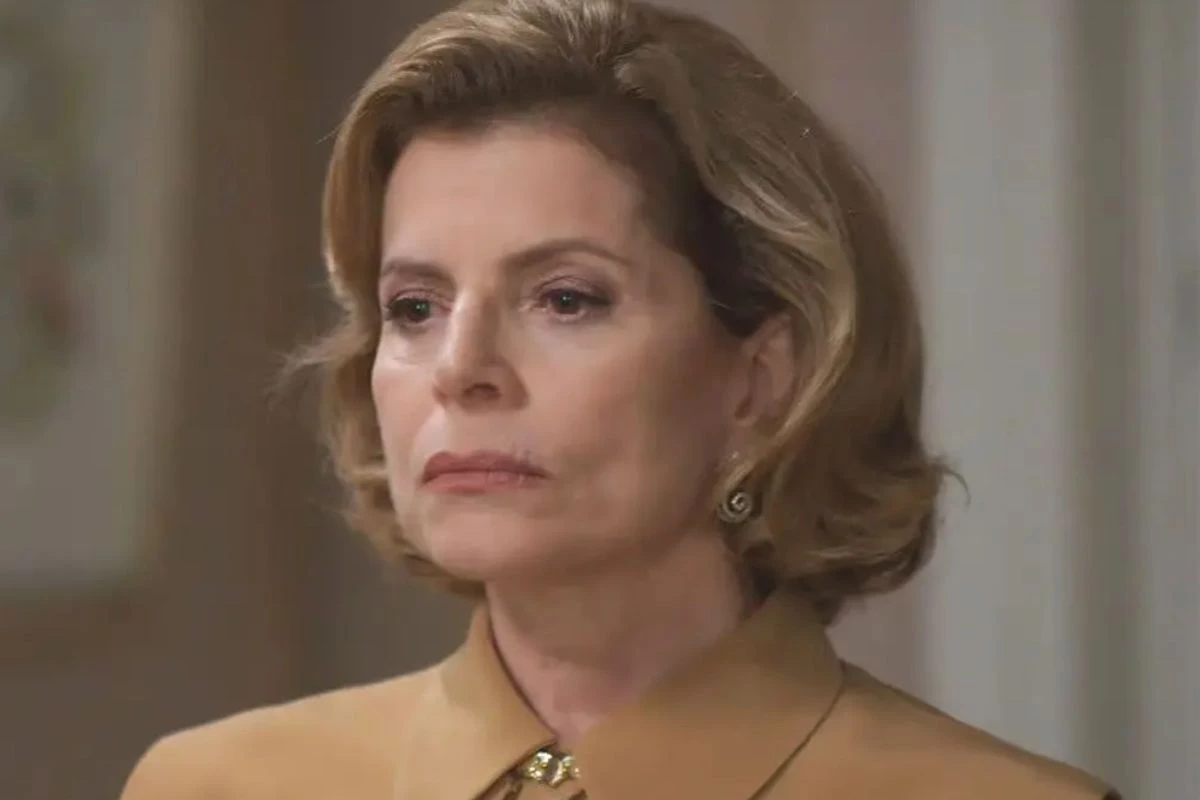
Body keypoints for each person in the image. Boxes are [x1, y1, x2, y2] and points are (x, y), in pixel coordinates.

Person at [120, 1, 1121, 798]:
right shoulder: (212, 786)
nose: (460, 367)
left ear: (761, 377)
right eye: (415, 307)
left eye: (566, 298)